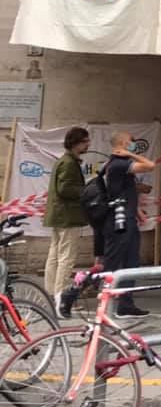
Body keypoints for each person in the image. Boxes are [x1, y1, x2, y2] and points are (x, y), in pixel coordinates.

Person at [103, 130, 156, 318]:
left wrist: (137, 211)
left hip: (128, 217)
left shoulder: (119, 164)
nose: (133, 143)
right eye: (131, 141)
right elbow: (150, 165)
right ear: (124, 143)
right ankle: (99, 299)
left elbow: (124, 191)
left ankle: (126, 304)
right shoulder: (119, 163)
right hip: (120, 220)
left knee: (131, 262)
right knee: (113, 261)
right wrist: (131, 154)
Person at [44, 126, 90, 318]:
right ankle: (61, 299)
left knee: (54, 257)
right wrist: (86, 190)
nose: (88, 144)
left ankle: (50, 296)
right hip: (67, 216)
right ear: (76, 143)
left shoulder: (64, 161)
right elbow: (65, 189)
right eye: (85, 141)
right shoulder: (69, 163)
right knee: (66, 258)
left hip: (59, 216)